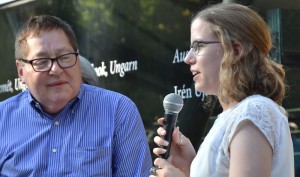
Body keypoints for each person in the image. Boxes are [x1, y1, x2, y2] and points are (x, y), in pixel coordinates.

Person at [151, 3, 294, 177]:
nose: (188, 58)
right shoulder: (236, 114)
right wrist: (190, 166)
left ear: (235, 50)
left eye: (198, 46)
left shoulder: (253, 110)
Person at [0, 15, 152, 176]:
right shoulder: (2, 119)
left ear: (77, 59)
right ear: (21, 71)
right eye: (42, 61)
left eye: (65, 57)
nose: (56, 70)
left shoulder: (117, 111)